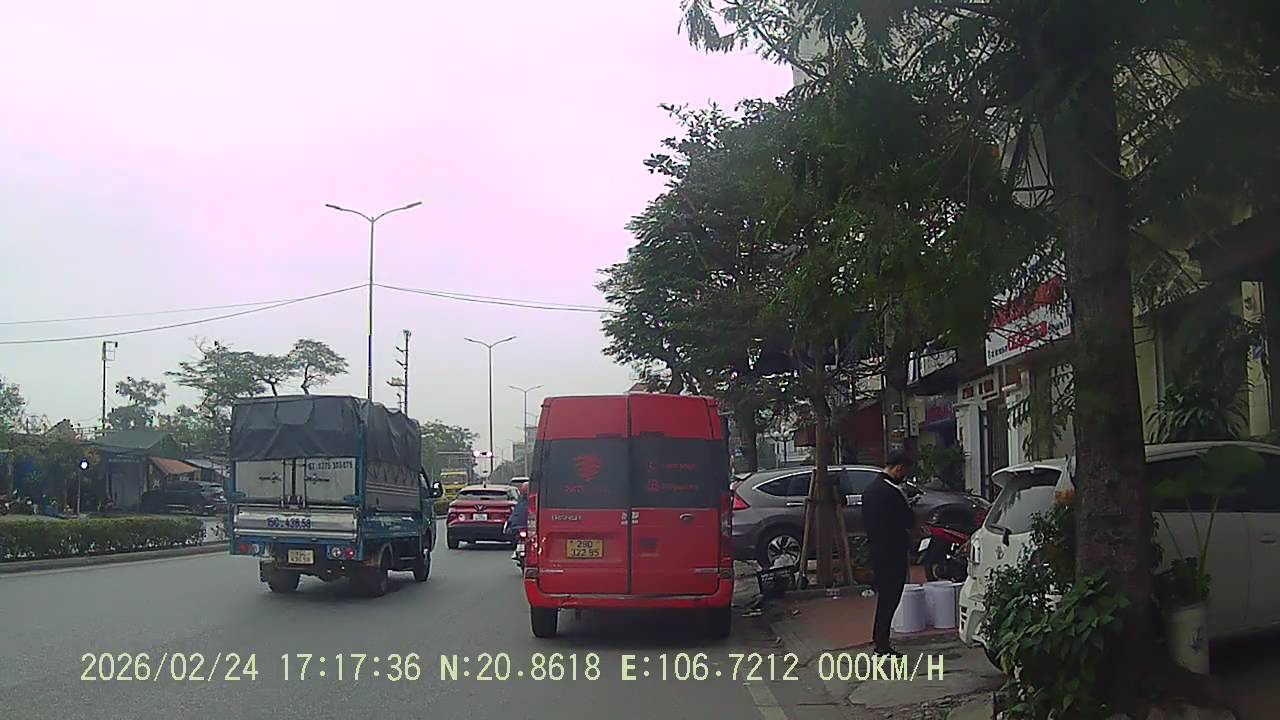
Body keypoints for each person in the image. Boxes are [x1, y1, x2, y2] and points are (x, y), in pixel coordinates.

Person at [860, 450, 918, 656]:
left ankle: (880, 640)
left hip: (877, 550)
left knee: (885, 596)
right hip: (894, 551)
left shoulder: (869, 490)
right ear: (898, 468)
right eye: (904, 471)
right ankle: (882, 643)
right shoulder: (893, 492)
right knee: (891, 597)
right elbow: (908, 520)